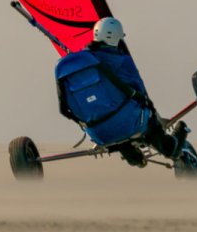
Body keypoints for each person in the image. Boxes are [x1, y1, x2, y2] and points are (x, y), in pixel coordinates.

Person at [55, 17, 179, 163]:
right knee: (152, 129)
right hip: (129, 122)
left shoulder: (74, 67)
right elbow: (139, 90)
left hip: (99, 133)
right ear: (115, 38)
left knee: (114, 118)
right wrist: (150, 107)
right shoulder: (121, 60)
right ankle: (174, 145)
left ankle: (131, 155)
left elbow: (64, 110)